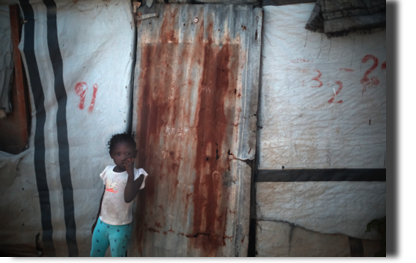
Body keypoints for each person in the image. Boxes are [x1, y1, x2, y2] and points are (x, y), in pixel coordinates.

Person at [90, 133, 148, 257]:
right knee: (95, 254)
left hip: (121, 227)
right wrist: (96, 220)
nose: (123, 157)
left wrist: (130, 173)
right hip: (102, 223)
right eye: (118, 154)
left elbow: (128, 198)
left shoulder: (139, 175)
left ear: (135, 154)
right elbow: (104, 197)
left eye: (128, 153)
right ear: (112, 155)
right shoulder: (107, 171)